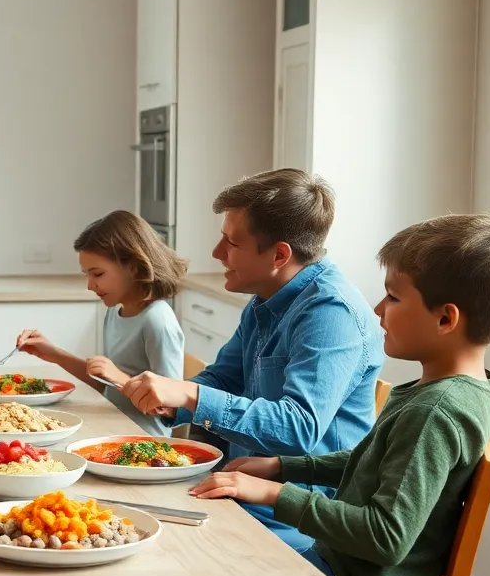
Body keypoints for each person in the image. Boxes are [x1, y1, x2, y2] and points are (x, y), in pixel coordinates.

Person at [188, 214, 490, 576]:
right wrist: (283, 468)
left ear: (446, 317)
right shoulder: (448, 393)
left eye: (393, 296)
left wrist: (274, 494)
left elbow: (384, 536)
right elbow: (372, 458)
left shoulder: (437, 411)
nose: (376, 310)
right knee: (197, 574)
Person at [121, 169, 384, 552]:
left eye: (231, 242)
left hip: (302, 517)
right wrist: (168, 403)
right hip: (242, 492)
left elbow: (299, 429)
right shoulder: (266, 297)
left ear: (280, 254)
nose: (216, 253)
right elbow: (225, 379)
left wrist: (190, 395)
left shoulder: (331, 314)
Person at [15, 211, 186, 435]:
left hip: (143, 441)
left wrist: (120, 378)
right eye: (87, 274)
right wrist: (53, 354)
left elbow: (170, 407)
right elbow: (104, 384)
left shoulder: (157, 320)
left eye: (97, 274)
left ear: (133, 267)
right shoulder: (115, 312)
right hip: (112, 426)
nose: (89, 285)